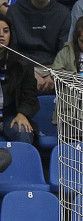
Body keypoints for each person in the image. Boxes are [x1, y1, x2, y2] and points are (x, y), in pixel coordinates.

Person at [8, 0, 69, 67]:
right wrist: (30, 72)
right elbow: (13, 50)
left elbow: (64, 50)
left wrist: (54, 72)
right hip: (22, 68)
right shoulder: (14, 12)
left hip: (54, 67)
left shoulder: (63, 13)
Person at [0, 14, 38, 145]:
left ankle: (24, 166)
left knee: (23, 132)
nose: (1, 35)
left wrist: (22, 113)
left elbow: (30, 96)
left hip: (10, 116)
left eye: (5, 31)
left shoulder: (22, 62)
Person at [51, 14, 83, 79]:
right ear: (76, 38)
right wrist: (72, 76)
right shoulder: (66, 51)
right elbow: (55, 72)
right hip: (69, 88)